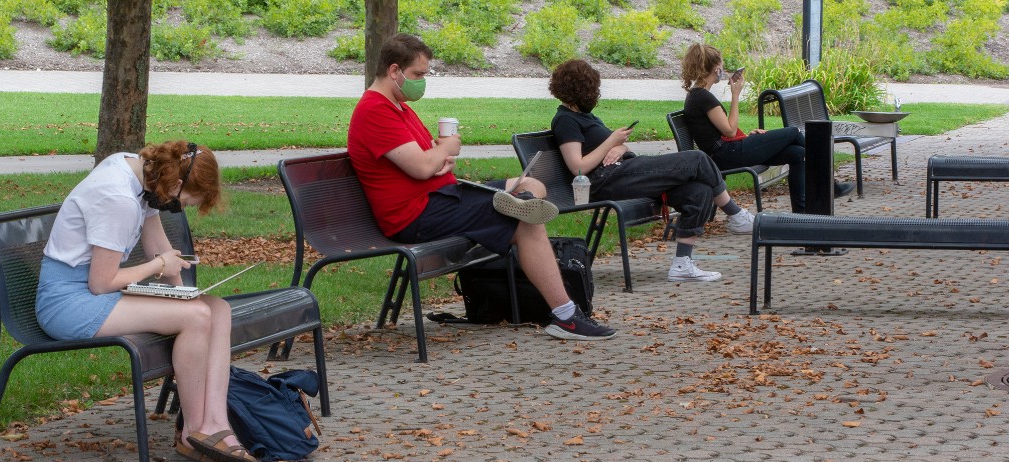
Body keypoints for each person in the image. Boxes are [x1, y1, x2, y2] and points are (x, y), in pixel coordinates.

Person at [347, 34, 615, 341]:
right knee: (525, 223)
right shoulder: (376, 111)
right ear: (395, 71)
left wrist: (441, 157)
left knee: (529, 182)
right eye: (418, 75)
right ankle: (566, 317)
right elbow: (422, 166)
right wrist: (446, 148)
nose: (422, 82)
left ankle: (522, 200)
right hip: (417, 214)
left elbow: (431, 160)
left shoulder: (399, 107)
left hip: (441, 195)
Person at [34, 140, 255, 462]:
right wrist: (159, 268)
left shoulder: (146, 175)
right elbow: (102, 282)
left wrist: (182, 294)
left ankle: (216, 423)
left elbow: (156, 245)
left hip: (94, 293)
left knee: (216, 309)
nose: (176, 209)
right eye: (182, 204)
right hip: (69, 302)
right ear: (176, 186)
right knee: (195, 318)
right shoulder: (119, 198)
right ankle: (194, 433)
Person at [549, 59, 750, 282]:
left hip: (623, 172)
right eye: (591, 88)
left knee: (698, 191)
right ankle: (736, 214)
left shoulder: (584, 117)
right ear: (579, 89)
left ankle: (682, 265)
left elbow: (612, 145)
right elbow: (578, 167)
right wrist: (612, 141)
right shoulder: (565, 120)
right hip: (605, 181)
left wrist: (618, 145)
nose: (594, 94)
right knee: (697, 159)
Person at [679, 43, 852, 212]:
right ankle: (830, 185)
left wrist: (749, 136)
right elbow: (729, 130)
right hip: (726, 155)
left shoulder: (698, 96)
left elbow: (719, 133)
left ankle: (801, 210)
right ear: (716, 69)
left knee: (797, 154)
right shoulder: (702, 97)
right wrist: (736, 94)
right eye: (721, 67)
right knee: (793, 132)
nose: (723, 72)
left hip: (726, 152)